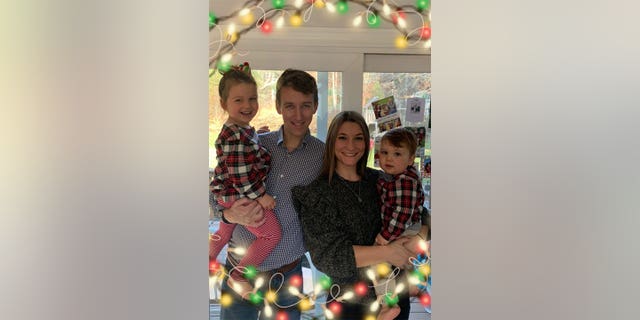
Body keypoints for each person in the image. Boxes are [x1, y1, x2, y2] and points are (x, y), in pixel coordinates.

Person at [291, 111, 429, 320]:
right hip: (349, 305)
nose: (351, 146)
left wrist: (419, 236)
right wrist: (387, 252)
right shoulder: (318, 193)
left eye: (358, 138)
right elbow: (328, 257)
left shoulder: (381, 179)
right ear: (331, 142)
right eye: (342, 138)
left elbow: (420, 213)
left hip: (395, 300)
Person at [215, 69, 325, 320]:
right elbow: (216, 190)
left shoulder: (323, 156)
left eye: (305, 106)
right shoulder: (253, 144)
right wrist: (228, 214)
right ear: (277, 106)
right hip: (237, 269)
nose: (298, 115)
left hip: (287, 276)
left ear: (315, 106)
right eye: (289, 105)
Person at [209, 64, 282, 298]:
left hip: (228, 195)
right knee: (271, 234)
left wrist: (255, 135)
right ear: (224, 104)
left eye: (252, 99)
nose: (247, 105)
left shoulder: (241, 130)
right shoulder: (235, 137)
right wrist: (261, 196)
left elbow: (243, 152)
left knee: (224, 231)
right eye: (238, 100)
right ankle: (239, 275)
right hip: (240, 195)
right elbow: (241, 175)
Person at [374, 127, 426, 319]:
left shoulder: (404, 181)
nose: (388, 158)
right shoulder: (395, 177)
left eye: (397, 154)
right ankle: (412, 283)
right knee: (399, 262)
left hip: (403, 229)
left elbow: (402, 213)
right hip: (404, 228)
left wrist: (384, 237)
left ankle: (388, 303)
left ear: (411, 159)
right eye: (385, 153)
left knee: (379, 261)